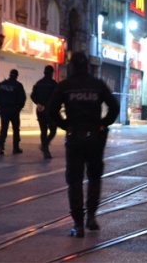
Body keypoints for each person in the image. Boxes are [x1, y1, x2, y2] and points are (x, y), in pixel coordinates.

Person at [47, 51, 119, 238]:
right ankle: (92, 217)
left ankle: (78, 224)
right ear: (88, 67)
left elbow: (51, 109)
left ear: (72, 67)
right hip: (95, 137)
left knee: (75, 180)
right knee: (94, 177)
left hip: (75, 137)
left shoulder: (65, 86)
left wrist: (66, 125)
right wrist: (104, 123)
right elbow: (114, 106)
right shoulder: (97, 85)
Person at [31, 65, 58, 159]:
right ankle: (45, 146)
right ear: (51, 73)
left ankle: (45, 151)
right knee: (53, 129)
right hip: (50, 110)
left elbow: (32, 96)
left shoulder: (38, 83)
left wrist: (38, 103)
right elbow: (56, 97)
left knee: (43, 131)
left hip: (40, 109)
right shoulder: (54, 84)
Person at [0, 69, 26, 155]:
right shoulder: (18, 85)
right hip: (14, 110)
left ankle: (1, 146)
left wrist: (0, 106)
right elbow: (22, 98)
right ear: (16, 76)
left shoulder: (2, 84)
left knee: (4, 129)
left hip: (4, 110)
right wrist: (19, 107)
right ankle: (15, 147)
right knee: (16, 129)